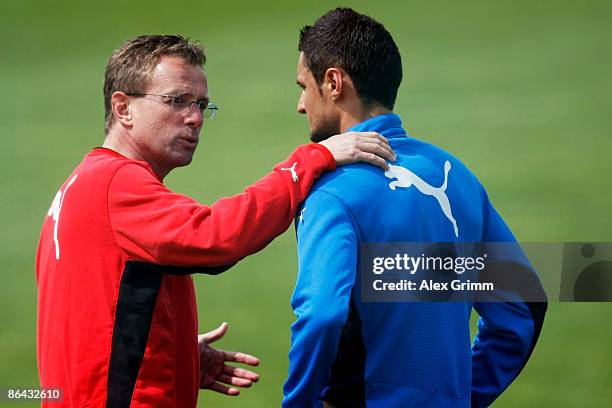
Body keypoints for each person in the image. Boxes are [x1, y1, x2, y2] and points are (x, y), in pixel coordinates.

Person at [35, 35, 396, 408]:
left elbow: (88, 316)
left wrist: (175, 353)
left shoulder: (83, 184)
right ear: (123, 107)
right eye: (176, 101)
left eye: (201, 105)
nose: (194, 118)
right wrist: (312, 160)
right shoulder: (114, 183)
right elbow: (215, 237)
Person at [283, 8, 547, 408]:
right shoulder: (457, 177)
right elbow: (522, 307)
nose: (301, 104)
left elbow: (322, 316)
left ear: (334, 83)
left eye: (304, 85)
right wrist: (463, 396)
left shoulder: (330, 192)